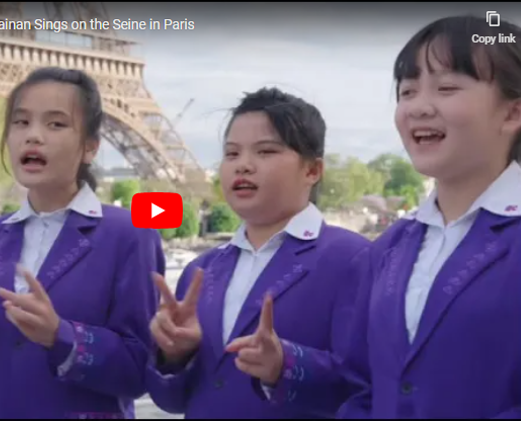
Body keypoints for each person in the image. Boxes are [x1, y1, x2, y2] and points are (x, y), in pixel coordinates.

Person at [0, 67, 164, 419]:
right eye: (20, 123)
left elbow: (139, 369)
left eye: (55, 124)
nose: (33, 136)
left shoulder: (130, 234)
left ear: (90, 147)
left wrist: (62, 336)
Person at [337, 16, 521, 419]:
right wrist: (284, 364)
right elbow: (360, 385)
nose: (418, 107)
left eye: (446, 88)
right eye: (407, 92)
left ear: (514, 113)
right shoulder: (387, 249)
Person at [144, 87, 370, 419]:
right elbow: (172, 401)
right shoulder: (200, 271)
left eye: (265, 152)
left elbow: (368, 388)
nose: (243, 166)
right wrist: (174, 356)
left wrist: (286, 366)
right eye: (232, 154)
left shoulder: (355, 259)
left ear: (312, 170)